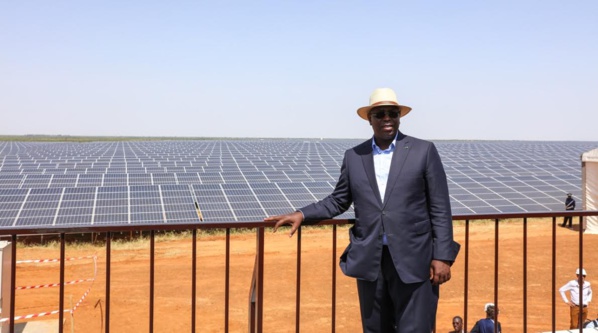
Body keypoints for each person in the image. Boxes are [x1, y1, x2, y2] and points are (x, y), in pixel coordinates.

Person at [264, 87, 460, 332]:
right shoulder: (355, 156)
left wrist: (442, 256)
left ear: (400, 117)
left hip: (415, 259)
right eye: (380, 114)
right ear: (370, 119)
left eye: (392, 113)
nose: (387, 118)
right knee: (376, 329)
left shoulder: (424, 151)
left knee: (416, 328)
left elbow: (440, 206)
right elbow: (338, 200)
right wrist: (302, 214)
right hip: (371, 260)